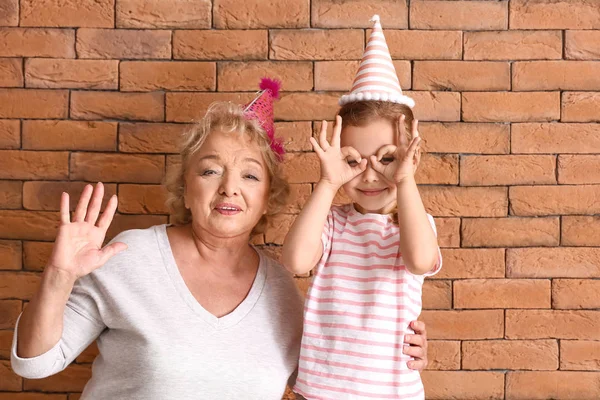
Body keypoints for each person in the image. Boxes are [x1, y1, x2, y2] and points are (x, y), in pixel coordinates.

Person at [10, 78, 430, 399]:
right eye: (210, 170)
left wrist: (403, 348)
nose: (230, 188)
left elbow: (338, 362)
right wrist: (59, 276)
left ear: (267, 197)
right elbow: (35, 364)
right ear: (185, 188)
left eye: (249, 175)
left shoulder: (284, 293)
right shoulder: (126, 256)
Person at [282, 16, 442, 400]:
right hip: (321, 391)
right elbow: (295, 261)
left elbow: (419, 260)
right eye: (354, 160)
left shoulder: (416, 224)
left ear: (410, 157)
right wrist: (328, 181)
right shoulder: (333, 223)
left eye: (386, 158)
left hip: (392, 392)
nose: (370, 175)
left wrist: (404, 180)